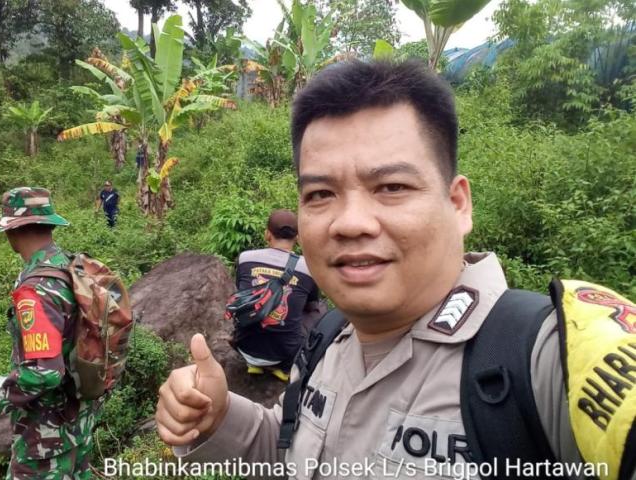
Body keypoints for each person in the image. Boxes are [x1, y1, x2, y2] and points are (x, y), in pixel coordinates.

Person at [155, 61, 634, 478]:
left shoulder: (548, 360)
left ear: (458, 203)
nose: (351, 223)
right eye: (320, 194)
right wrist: (218, 417)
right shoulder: (326, 341)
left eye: (392, 187)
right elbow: (286, 448)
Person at [0, 187, 101, 479]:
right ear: (49, 225)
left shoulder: (37, 289)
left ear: (13, 231)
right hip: (78, 422)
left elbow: (44, 372)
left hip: (46, 437)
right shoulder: (70, 266)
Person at [232, 209, 320, 382]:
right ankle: (284, 369)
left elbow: (241, 293)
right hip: (284, 353)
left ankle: (254, 364)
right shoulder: (309, 268)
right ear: (297, 238)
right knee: (318, 309)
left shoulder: (245, 258)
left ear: (267, 234)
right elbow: (311, 305)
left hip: (244, 346)